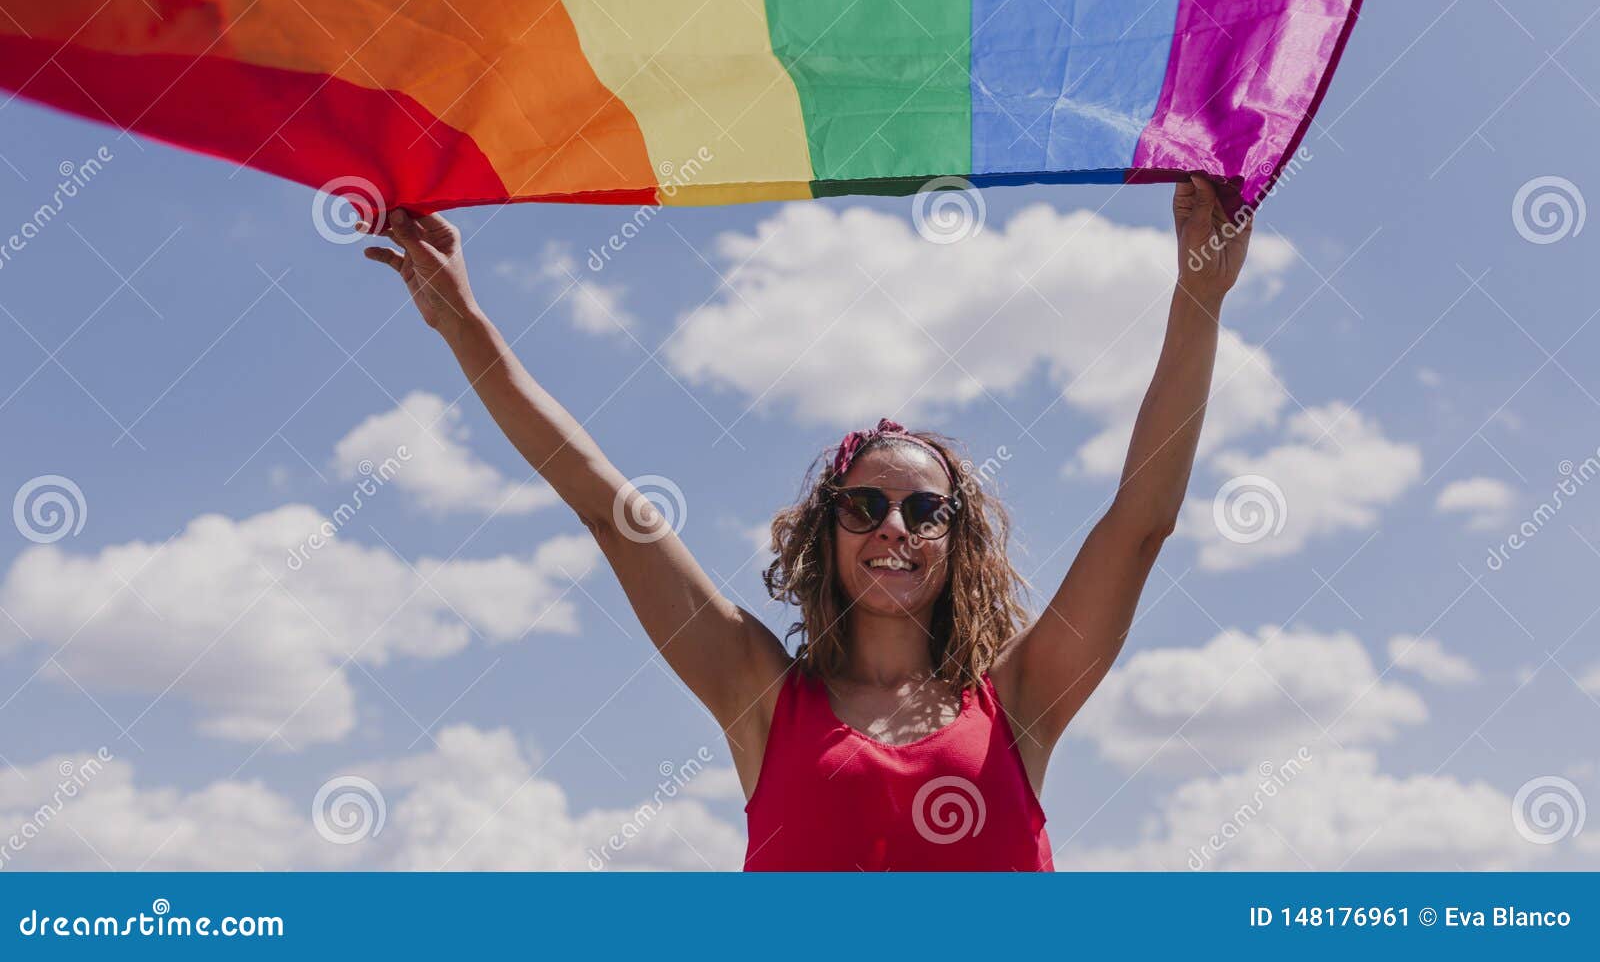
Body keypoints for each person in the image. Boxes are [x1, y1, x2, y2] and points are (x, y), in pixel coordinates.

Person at [365, 174, 1252, 871]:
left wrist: (1199, 293)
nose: (894, 526)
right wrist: (465, 326)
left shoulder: (1019, 701)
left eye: (924, 509)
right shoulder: (761, 694)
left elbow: (1142, 521)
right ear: (826, 533)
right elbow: (608, 507)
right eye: (865, 505)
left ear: (956, 544)